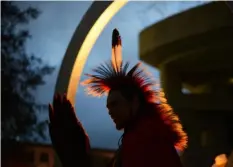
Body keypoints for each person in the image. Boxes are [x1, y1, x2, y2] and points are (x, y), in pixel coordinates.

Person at [49, 29, 188, 167]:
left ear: (134, 101)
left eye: (115, 104)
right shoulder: (141, 137)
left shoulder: (146, 139)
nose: (110, 111)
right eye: (108, 107)